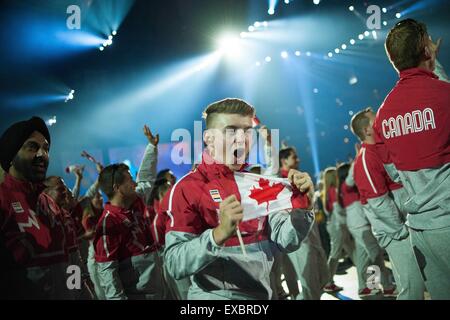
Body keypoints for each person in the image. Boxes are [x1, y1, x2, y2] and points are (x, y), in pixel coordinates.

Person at [163, 98, 315, 300]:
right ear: (209, 139)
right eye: (231, 130)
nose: (242, 138)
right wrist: (218, 234)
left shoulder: (257, 185)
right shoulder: (187, 188)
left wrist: (302, 209)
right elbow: (174, 264)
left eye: (247, 131)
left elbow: (286, 242)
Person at [373, 19, 450, 299]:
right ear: (426, 50)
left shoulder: (383, 114)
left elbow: (394, 173)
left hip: (421, 229)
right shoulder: (445, 95)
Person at [351, 108, 426, 300]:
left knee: (411, 281)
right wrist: (401, 230)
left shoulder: (382, 147)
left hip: (401, 223)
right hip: (394, 230)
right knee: (412, 283)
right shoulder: (366, 158)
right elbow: (379, 203)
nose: (381, 121)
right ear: (367, 130)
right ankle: (369, 286)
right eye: (375, 120)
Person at [0, 117, 69, 299]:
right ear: (11, 156)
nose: (42, 154)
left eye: (46, 148)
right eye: (32, 147)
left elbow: (72, 262)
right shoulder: (2, 201)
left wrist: (80, 293)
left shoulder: (51, 204)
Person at [93, 125, 164, 300]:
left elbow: (146, 177)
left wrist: (151, 147)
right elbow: (108, 273)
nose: (134, 183)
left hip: (159, 291)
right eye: (130, 179)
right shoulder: (108, 223)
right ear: (118, 188)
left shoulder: (135, 200)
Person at [278, 147, 330, 300]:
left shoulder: (299, 177)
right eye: (294, 157)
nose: (298, 159)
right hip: (299, 238)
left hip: (311, 233)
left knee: (322, 276)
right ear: (284, 160)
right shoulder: (279, 181)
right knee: (309, 282)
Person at [322, 167, 353, 294]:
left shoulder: (327, 191)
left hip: (334, 225)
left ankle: (368, 279)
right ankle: (327, 282)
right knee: (335, 254)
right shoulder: (333, 191)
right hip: (337, 226)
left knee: (353, 250)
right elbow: (338, 211)